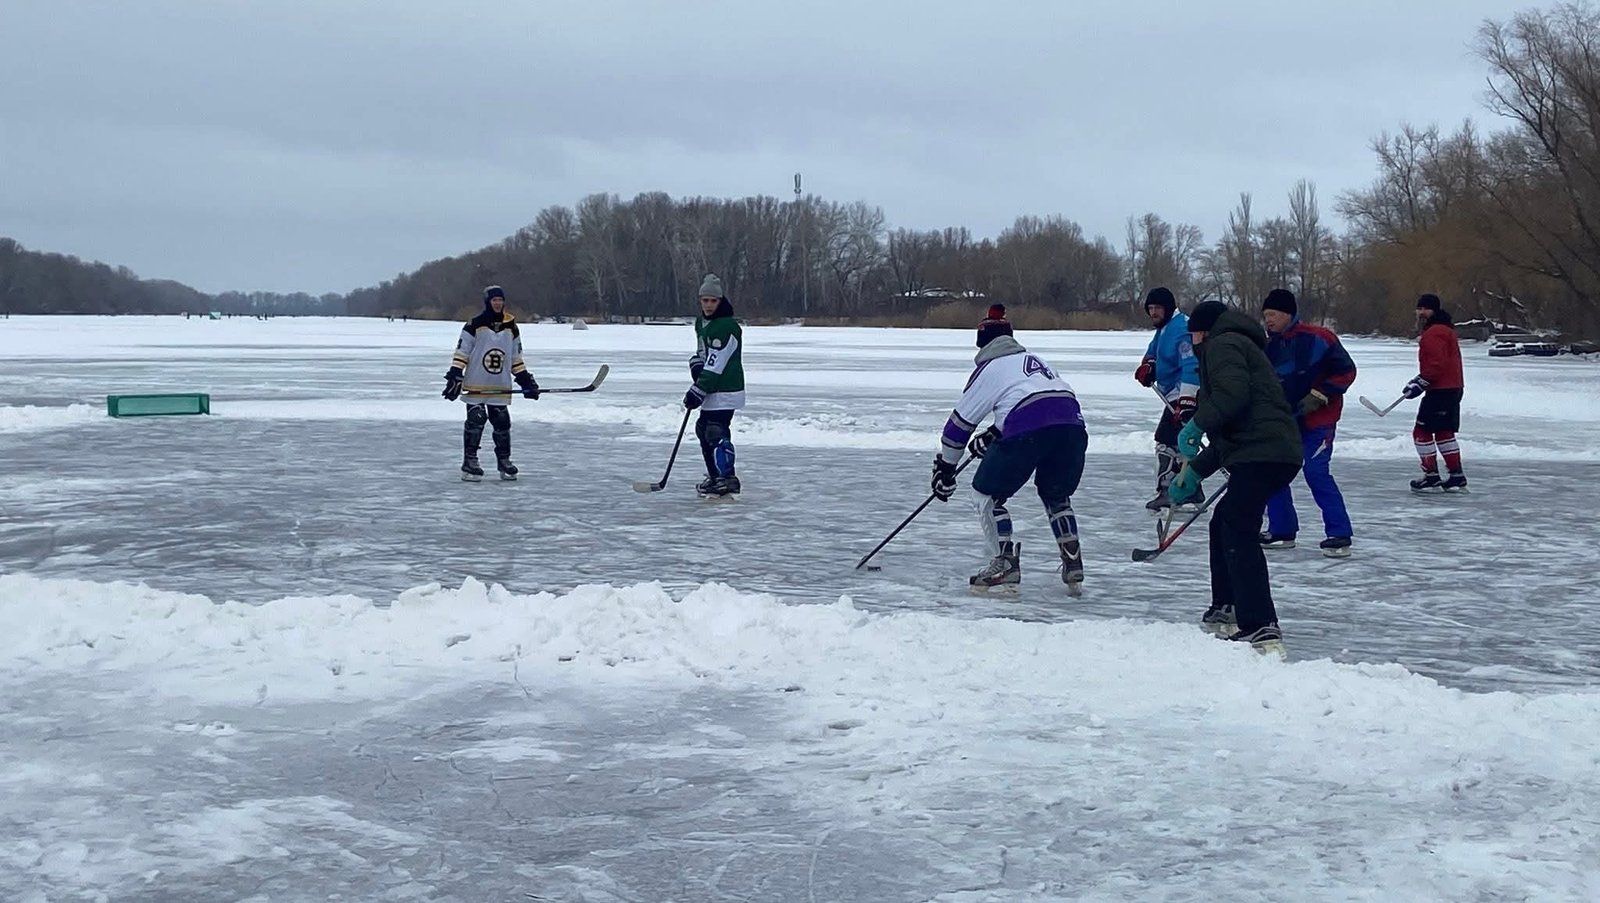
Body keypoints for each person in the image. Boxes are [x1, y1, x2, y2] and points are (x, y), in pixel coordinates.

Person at [1169, 300, 1301, 655]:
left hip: (1266, 452)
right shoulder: (1234, 344)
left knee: (1236, 525)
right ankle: (1226, 604)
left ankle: (1260, 624)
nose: (1192, 342)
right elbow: (1236, 426)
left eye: (1193, 334)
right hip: (1265, 450)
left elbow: (1232, 397)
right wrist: (1196, 469)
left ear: (1203, 331)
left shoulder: (1223, 345)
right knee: (1224, 521)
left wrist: (1197, 424)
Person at [932, 306, 1089, 591]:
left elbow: (957, 427)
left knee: (985, 494)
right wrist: (996, 431)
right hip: (1072, 425)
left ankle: (1004, 562)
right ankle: (1072, 559)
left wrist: (946, 468)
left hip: (1029, 427)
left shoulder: (990, 368)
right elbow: (1033, 397)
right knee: (1056, 493)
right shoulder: (1035, 360)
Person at [1259, 289, 1358, 557]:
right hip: (1286, 422)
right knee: (1274, 472)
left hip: (1319, 421)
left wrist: (1320, 394)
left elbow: (1346, 371)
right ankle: (1282, 530)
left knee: (1316, 471)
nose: (1268, 320)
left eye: (1273, 314)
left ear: (1288, 314)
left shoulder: (1319, 339)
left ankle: (1339, 533)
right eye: (1265, 315)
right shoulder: (1268, 347)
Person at [442, 285, 540, 481]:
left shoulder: (511, 326)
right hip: (476, 383)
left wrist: (525, 380)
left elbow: (515, 358)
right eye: (494, 300)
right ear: (488, 301)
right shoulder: (474, 324)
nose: (498, 303)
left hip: (500, 385)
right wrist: (455, 375)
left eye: (500, 300)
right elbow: (462, 353)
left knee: (502, 423)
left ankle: (504, 461)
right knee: (476, 421)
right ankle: (470, 462)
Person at [1134, 287, 1202, 511]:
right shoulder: (1164, 328)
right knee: (1178, 442)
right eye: (1150, 308)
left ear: (1168, 308)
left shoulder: (1182, 329)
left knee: (1166, 441)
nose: (1153, 313)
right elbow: (1154, 351)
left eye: (1157, 308)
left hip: (1183, 395)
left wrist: (1187, 400)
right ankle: (1190, 490)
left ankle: (1168, 490)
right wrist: (1149, 366)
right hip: (1173, 393)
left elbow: (1191, 365)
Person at [685, 274, 745, 497]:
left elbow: (717, 362)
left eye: (713, 301)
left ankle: (727, 477)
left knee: (715, 431)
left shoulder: (726, 326)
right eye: (705, 300)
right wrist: (696, 365)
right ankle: (714, 476)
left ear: (720, 301)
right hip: (711, 387)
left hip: (727, 388)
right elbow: (703, 353)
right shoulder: (702, 323)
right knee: (703, 430)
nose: (708, 305)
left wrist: (697, 390)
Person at [1404, 293, 1467, 492]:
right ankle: (1456, 475)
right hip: (1451, 387)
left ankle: (1431, 474)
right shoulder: (1445, 329)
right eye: (1419, 308)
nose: (1421, 312)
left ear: (1434, 310)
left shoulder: (1434, 332)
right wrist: (1419, 380)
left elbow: (1437, 364)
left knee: (1421, 432)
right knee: (1443, 432)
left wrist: (1421, 382)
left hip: (1441, 389)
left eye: (1425, 309)